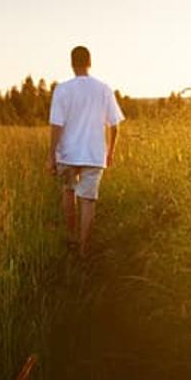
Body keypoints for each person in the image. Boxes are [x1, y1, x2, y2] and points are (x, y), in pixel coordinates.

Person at [45, 45, 124, 255]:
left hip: (68, 153)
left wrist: (51, 155)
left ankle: (71, 237)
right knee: (88, 200)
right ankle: (84, 249)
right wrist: (111, 152)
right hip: (94, 154)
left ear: (72, 63)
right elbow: (115, 125)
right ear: (90, 62)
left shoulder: (62, 89)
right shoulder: (104, 89)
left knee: (68, 191)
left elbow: (56, 125)